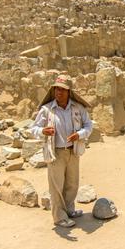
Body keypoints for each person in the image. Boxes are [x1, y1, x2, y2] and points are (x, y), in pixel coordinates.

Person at [31, 74, 93, 228]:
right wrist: (42, 131)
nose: (59, 92)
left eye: (62, 90)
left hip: (73, 151)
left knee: (72, 183)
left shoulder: (78, 108)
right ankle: (59, 217)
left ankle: (69, 210)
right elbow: (33, 128)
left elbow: (88, 126)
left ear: (69, 92)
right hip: (56, 153)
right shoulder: (47, 110)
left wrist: (79, 135)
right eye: (57, 89)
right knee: (57, 186)